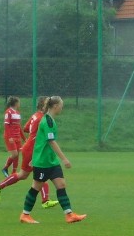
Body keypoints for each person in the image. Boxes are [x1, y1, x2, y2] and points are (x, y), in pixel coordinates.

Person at [19, 95, 86, 224]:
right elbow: (51, 141)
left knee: (61, 185)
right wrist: (64, 159)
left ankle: (69, 215)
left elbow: (39, 140)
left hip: (51, 161)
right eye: (61, 106)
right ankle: (25, 215)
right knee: (36, 188)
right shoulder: (47, 121)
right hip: (43, 162)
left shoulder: (50, 119)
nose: (62, 108)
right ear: (55, 106)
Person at [0, 95, 58, 208]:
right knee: (36, 173)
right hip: (32, 150)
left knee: (28, 175)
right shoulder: (42, 118)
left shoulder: (36, 116)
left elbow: (26, 128)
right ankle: (45, 201)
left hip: (31, 148)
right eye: (48, 103)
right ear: (44, 106)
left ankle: (0, 186)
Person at [1, 96, 25, 177]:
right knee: (14, 154)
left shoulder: (17, 113)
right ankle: (5, 168)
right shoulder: (8, 112)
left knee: (17, 155)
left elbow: (19, 127)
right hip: (10, 137)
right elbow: (6, 126)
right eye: (19, 102)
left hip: (17, 137)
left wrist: (24, 138)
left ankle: (13, 173)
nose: (19, 104)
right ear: (15, 103)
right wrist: (10, 137)